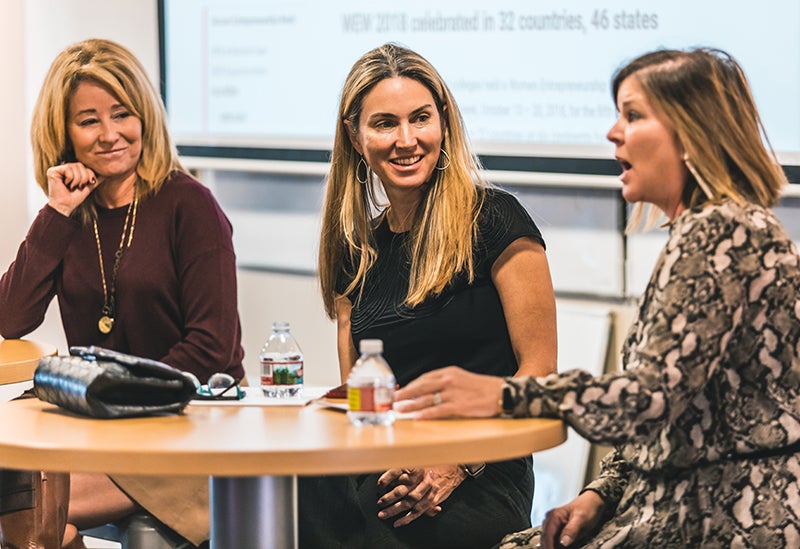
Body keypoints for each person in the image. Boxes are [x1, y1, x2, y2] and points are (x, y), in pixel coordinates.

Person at [394, 46, 800, 548]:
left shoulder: (725, 232)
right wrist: (601, 494)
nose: (612, 132)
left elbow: (650, 398)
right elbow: (674, 412)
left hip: (722, 517)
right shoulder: (711, 229)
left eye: (632, 115)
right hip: (676, 505)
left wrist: (501, 395)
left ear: (692, 133)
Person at [301, 43, 558, 548]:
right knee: (282, 511)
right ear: (354, 136)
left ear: (444, 122)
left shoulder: (498, 220)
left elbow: (541, 375)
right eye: (384, 123)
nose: (406, 140)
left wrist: (453, 464)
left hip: (480, 473)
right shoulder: (355, 254)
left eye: (421, 118)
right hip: (384, 468)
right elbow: (361, 401)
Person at [0, 38, 244, 548]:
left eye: (122, 114)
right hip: (100, 430)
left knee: (24, 508)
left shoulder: (190, 205)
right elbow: (10, 317)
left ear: (145, 118)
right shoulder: (70, 216)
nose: (111, 134)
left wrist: (114, 401)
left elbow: (212, 349)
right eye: (89, 120)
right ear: (62, 132)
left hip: (188, 429)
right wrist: (56, 213)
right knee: (33, 514)